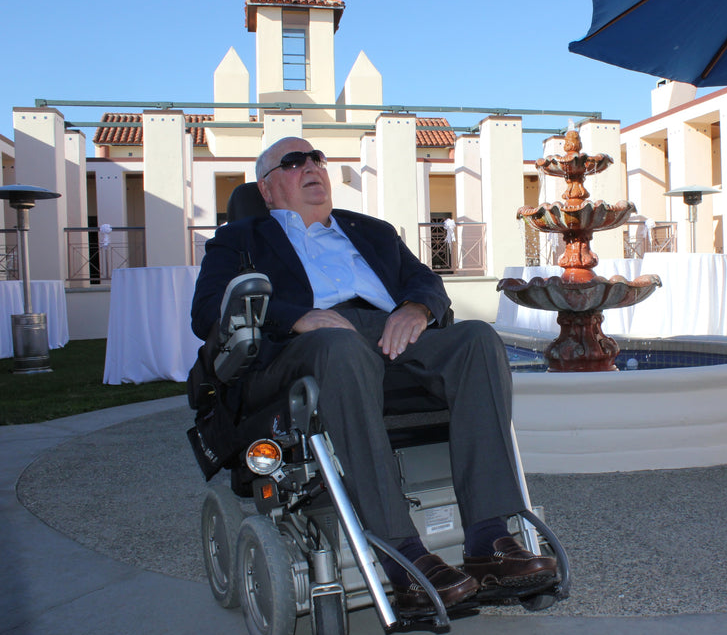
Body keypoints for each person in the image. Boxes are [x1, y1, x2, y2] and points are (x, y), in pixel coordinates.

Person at [192, 136, 555, 610]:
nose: (312, 166)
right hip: (304, 347)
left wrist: (417, 307)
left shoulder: (371, 230)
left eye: (317, 158)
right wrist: (295, 316)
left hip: (390, 335)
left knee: (477, 340)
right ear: (266, 188)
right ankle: (402, 556)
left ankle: (489, 540)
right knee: (341, 347)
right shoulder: (241, 239)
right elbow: (207, 314)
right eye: (294, 161)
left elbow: (425, 279)